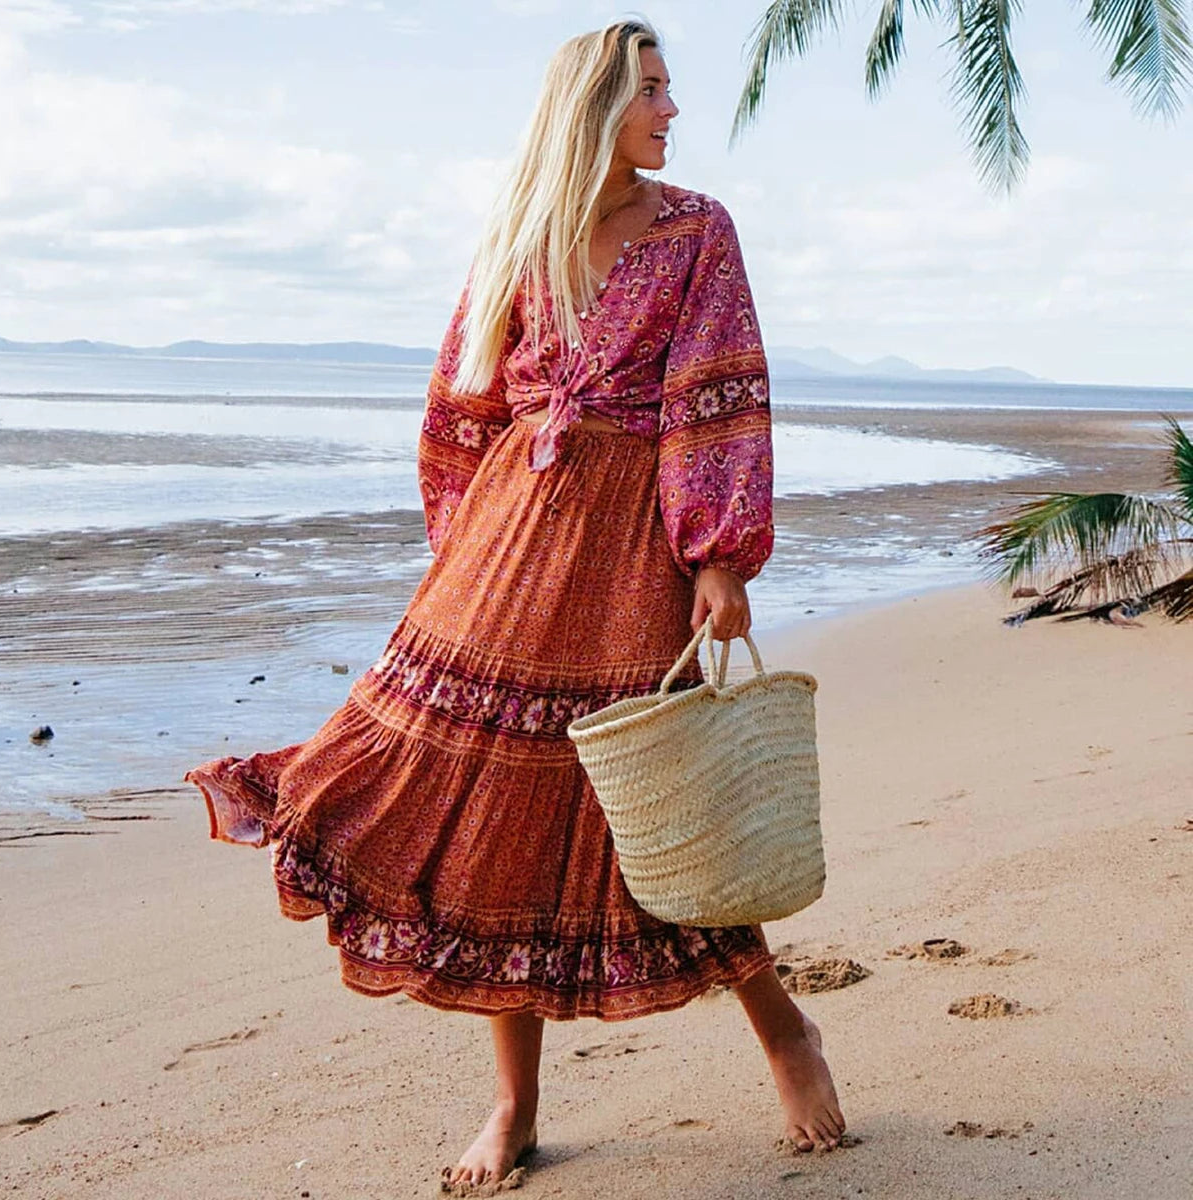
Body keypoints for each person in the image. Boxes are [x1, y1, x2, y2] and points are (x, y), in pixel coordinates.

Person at [184, 18, 845, 1192]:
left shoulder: (699, 231)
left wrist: (720, 555)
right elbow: (460, 405)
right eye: (651, 90)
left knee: (658, 805)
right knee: (487, 816)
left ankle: (786, 1030)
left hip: (634, 551)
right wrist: (464, 552)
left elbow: (718, 390)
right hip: (504, 548)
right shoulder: (519, 233)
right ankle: (515, 1103)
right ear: (592, 105)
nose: (671, 111)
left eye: (669, 90)